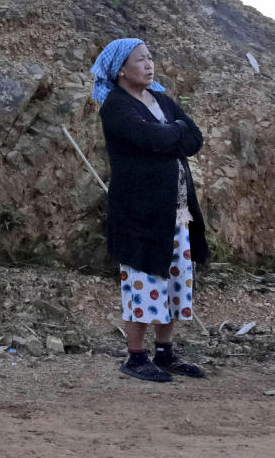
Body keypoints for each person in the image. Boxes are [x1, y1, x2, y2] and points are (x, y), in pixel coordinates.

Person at [91, 38, 209, 382]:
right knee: (143, 282)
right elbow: (152, 139)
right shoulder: (115, 105)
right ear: (120, 69)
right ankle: (136, 356)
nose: (148, 64)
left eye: (150, 58)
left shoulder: (161, 99)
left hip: (176, 212)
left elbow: (194, 139)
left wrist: (171, 133)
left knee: (173, 281)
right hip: (139, 212)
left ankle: (165, 352)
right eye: (140, 59)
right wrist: (175, 132)